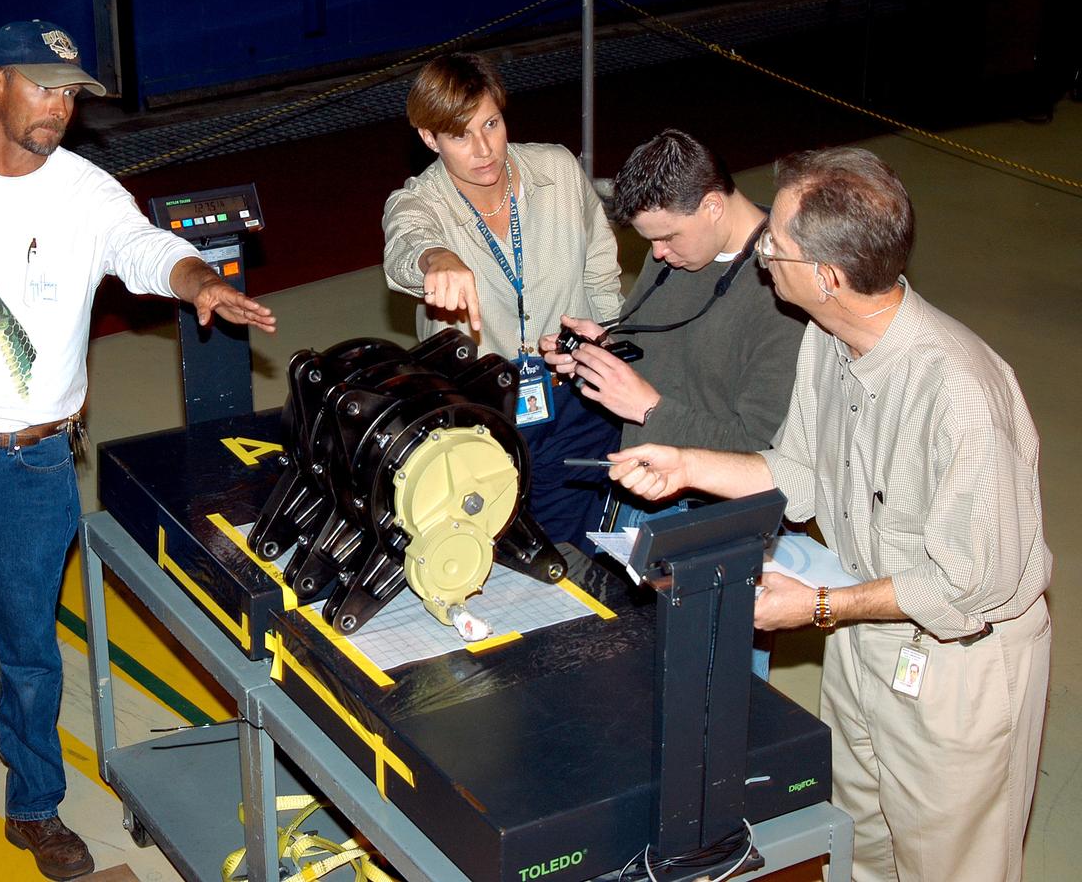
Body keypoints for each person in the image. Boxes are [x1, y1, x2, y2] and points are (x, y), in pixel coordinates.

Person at [0, 20, 276, 880]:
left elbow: (145, 249)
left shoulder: (86, 193)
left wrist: (200, 279)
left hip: (33, 466)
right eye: (43, 87)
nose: (60, 108)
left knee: (30, 649)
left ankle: (34, 806)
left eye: (71, 93)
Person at [609, 147, 1050, 882]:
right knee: (860, 847)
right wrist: (686, 464)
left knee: (949, 863)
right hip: (865, 628)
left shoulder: (961, 396)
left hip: (958, 664)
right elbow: (803, 476)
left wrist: (817, 608)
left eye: (776, 243)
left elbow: (966, 586)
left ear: (828, 276)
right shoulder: (829, 339)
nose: (762, 255)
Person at [541, 129, 805, 678]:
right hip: (646, 497)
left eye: (666, 239)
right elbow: (668, 347)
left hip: (713, 524)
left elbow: (767, 454)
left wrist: (648, 409)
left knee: (715, 694)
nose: (657, 254)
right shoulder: (683, 249)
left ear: (712, 205)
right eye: (650, 241)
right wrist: (604, 351)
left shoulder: (782, 292)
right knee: (637, 680)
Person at [383, 52, 624, 550]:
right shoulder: (419, 202)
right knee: (485, 548)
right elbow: (404, 241)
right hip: (480, 415)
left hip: (575, 398)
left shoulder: (557, 170)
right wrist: (435, 258)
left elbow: (600, 271)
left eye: (490, 124)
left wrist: (610, 352)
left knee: (573, 548)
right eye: (459, 135)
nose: (484, 148)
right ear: (430, 139)